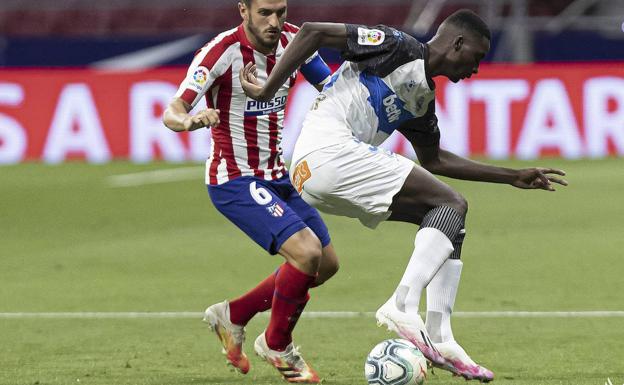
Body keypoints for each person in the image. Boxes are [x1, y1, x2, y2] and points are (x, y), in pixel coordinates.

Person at [240, 9, 568, 382]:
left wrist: (511, 176)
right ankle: (402, 304)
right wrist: (267, 89)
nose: (475, 70)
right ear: (457, 43)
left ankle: (441, 336)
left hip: (320, 175)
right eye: (476, 57)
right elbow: (313, 32)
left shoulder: (422, 98)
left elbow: (435, 159)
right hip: (327, 151)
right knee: (451, 203)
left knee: (450, 221)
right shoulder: (397, 46)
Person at [162, 0, 339, 383]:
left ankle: (234, 315)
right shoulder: (220, 52)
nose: (275, 22)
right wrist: (191, 120)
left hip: (277, 177)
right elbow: (172, 111)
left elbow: (334, 88)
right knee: (306, 254)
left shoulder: (296, 43)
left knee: (325, 265)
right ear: (243, 10)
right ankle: (277, 345)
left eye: (281, 11)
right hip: (234, 179)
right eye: (265, 13)